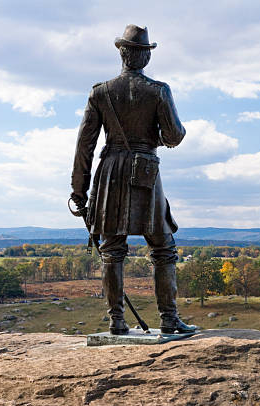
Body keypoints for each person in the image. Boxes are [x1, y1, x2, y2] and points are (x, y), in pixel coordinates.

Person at [70, 24, 195, 335]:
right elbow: (175, 135)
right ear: (145, 57)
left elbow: (85, 144)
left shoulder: (101, 93)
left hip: (110, 170)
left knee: (112, 249)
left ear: (122, 54)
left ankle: (116, 321)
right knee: (163, 248)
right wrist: (157, 136)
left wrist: (78, 190)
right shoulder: (158, 91)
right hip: (145, 172)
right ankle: (169, 319)